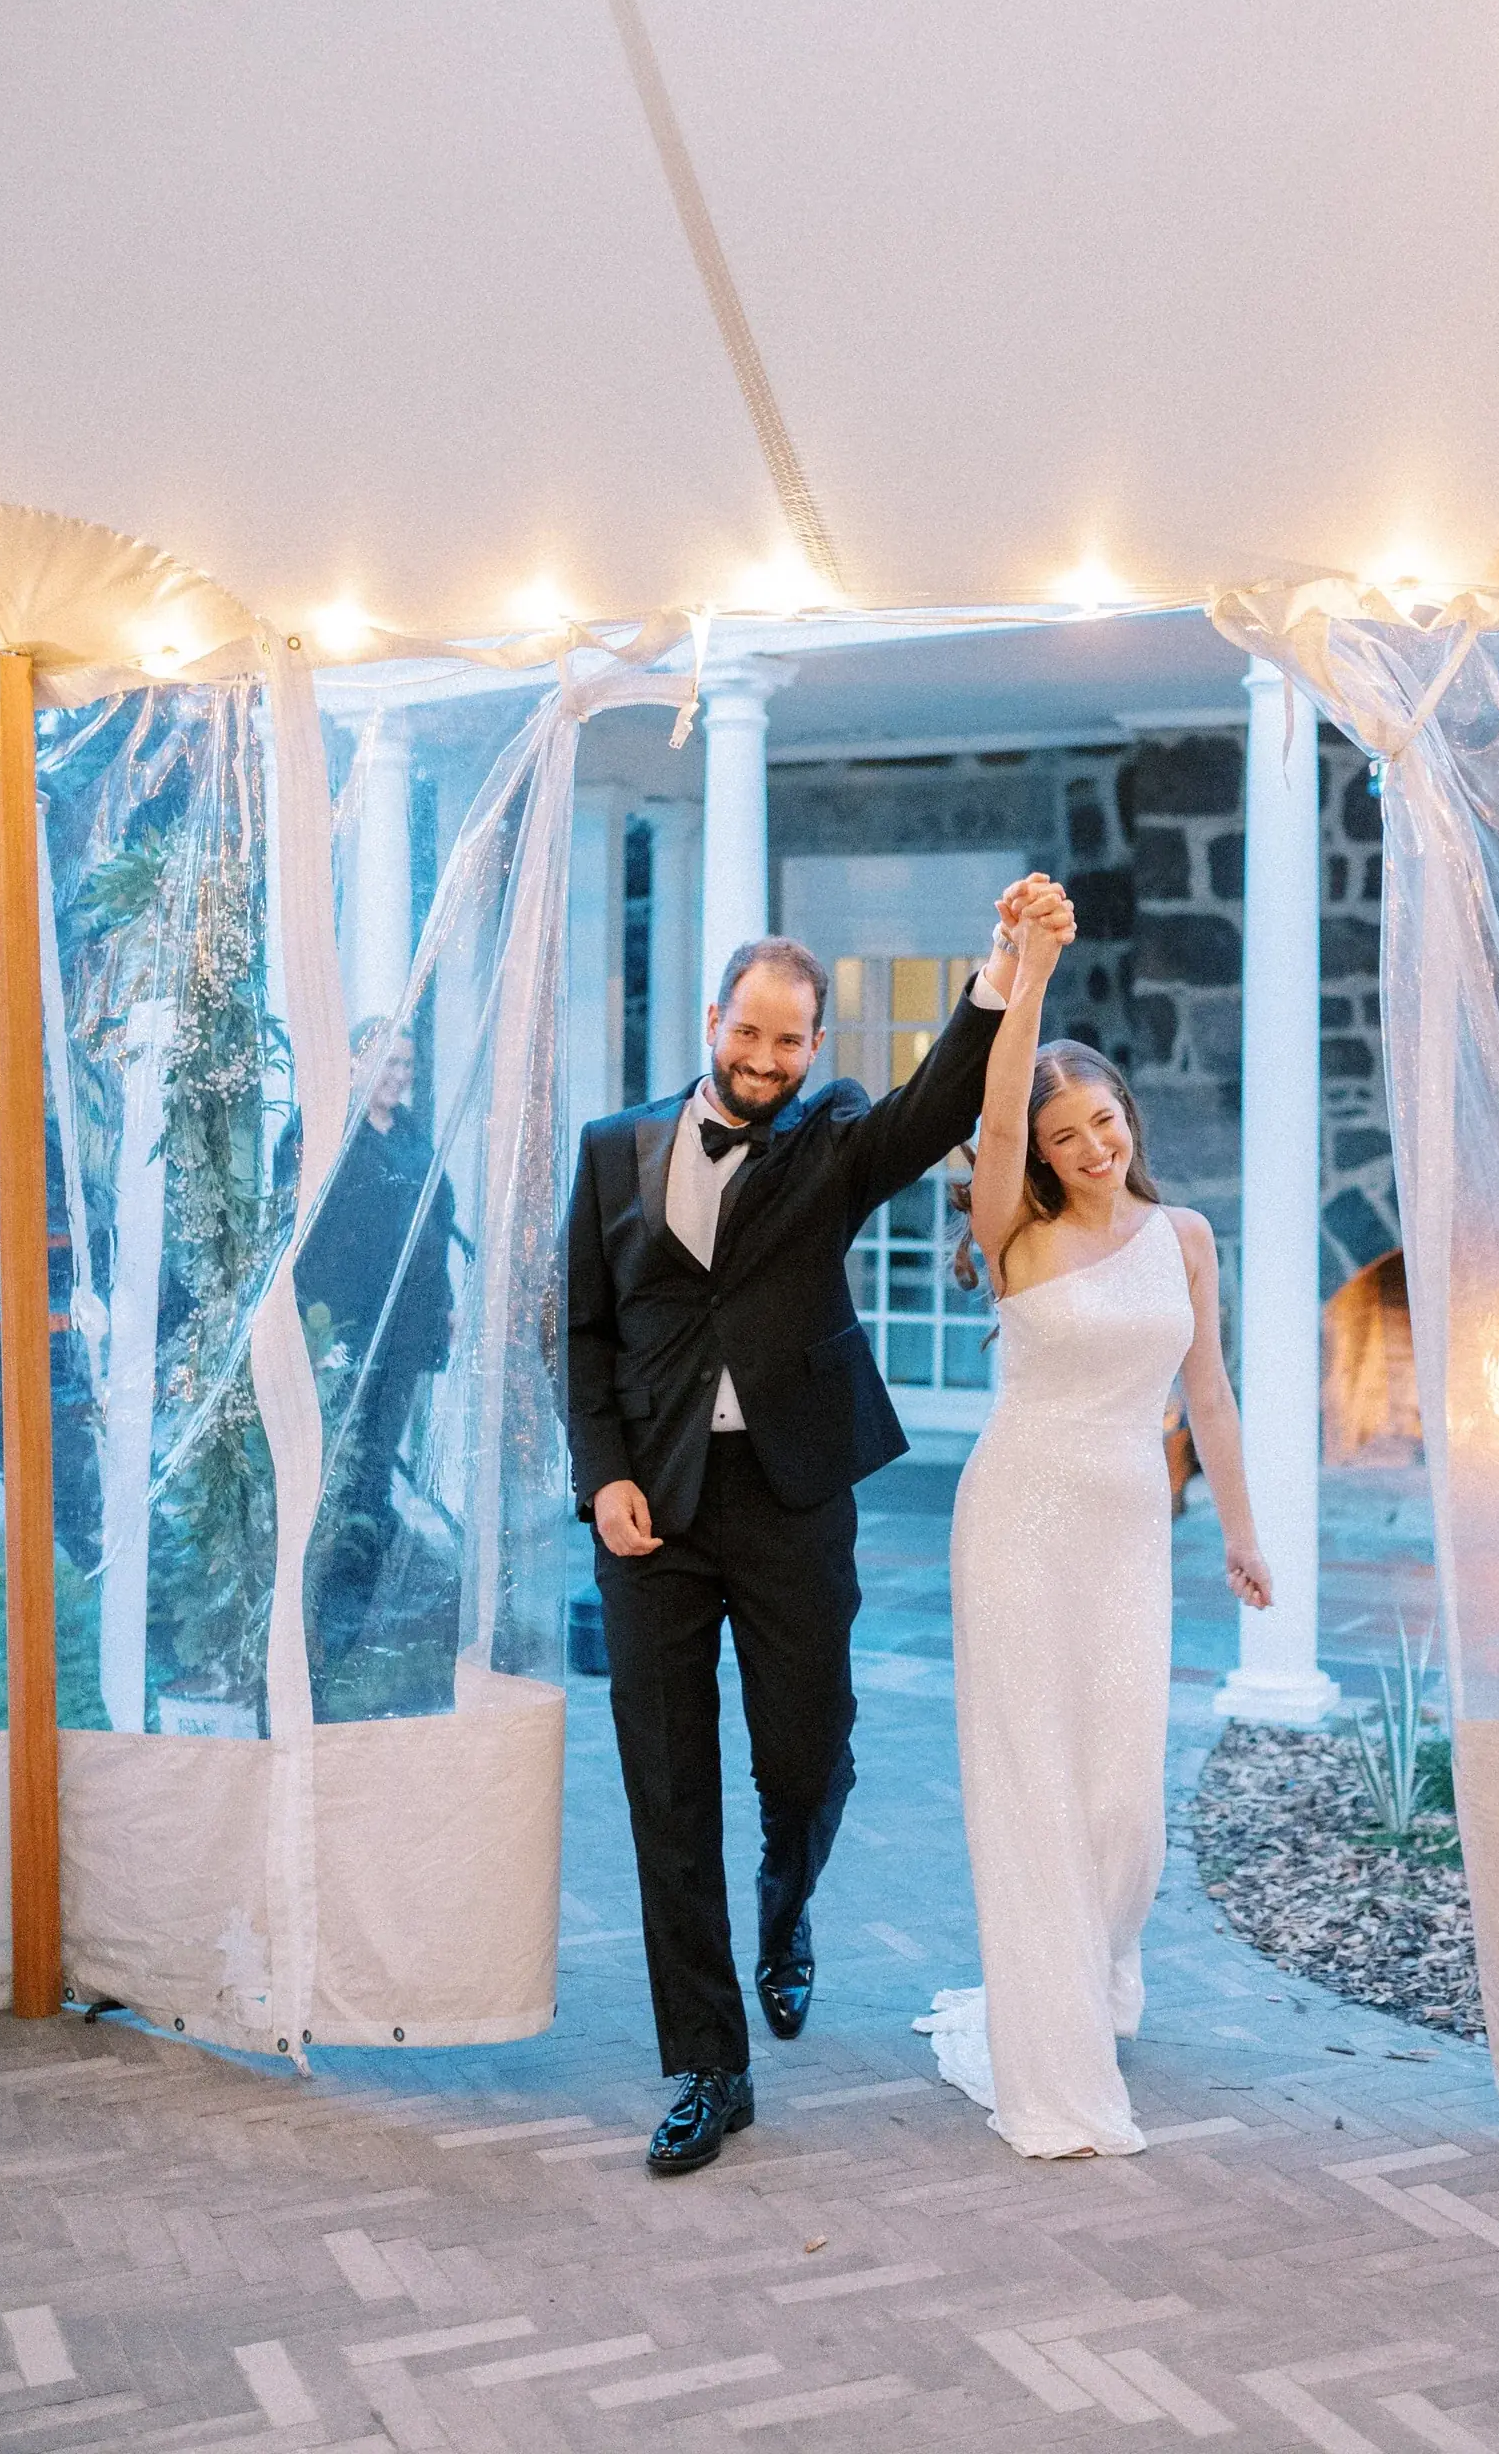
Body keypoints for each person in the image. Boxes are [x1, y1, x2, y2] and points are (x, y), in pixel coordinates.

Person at [568, 881, 1076, 2176]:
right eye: (749, 1035)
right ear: (712, 1021)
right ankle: (707, 2066)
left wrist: (1000, 975)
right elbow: (582, 1332)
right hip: (654, 1513)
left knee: (805, 1756)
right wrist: (600, 1475)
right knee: (666, 1792)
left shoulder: (830, 1138)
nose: (764, 1060)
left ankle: (787, 1904)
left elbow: (932, 1113)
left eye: (791, 1043)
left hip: (795, 1496)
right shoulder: (611, 1150)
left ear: (815, 1052)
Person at [916, 903, 1273, 2157]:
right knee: (1036, 1792)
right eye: (1065, 1138)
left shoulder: (1184, 1239)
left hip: (1128, 1538)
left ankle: (1097, 1968)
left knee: (1126, 1808)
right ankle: (1052, 2062)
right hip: (1017, 1524)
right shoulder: (1013, 1238)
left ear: (1131, 1116)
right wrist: (1034, 975)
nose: (1090, 1147)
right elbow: (998, 1113)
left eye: (1104, 1122)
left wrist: (1241, 1530)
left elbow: (1210, 1392)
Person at [293, 1022, 457, 1691]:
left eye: (408, 1062)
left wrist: (443, 1301)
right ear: (356, 1063)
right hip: (347, 1332)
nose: (399, 1074)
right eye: (387, 1061)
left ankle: (356, 1625)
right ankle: (326, 1624)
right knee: (341, 1467)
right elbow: (305, 1234)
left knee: (377, 1466)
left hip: (408, 1333)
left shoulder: (415, 1135)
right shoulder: (326, 1132)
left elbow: (434, 1227)